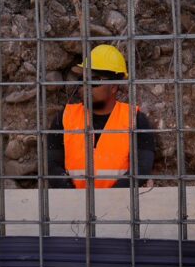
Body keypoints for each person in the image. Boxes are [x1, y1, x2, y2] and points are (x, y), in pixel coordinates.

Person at [47, 44, 155, 189]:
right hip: (74, 205)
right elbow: (51, 164)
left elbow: (142, 167)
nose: (86, 86)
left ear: (113, 87)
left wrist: (111, 198)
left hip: (119, 205)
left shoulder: (135, 120)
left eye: (95, 80)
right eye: (83, 80)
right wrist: (74, 196)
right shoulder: (64, 118)